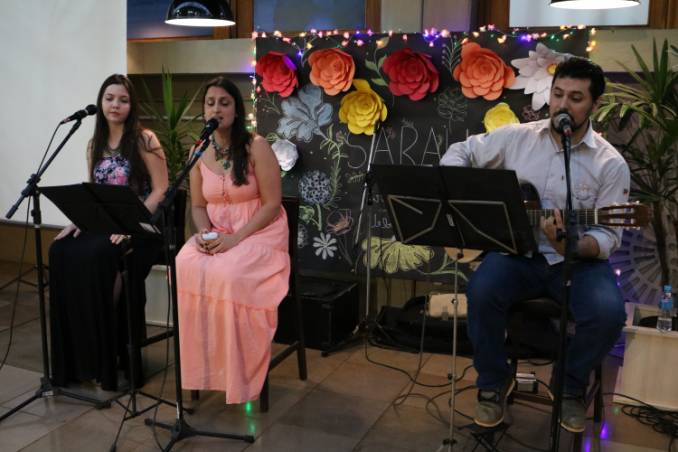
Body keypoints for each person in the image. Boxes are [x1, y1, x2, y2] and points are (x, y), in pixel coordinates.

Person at [440, 57, 629, 433]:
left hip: (578, 263)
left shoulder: (610, 164)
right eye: (558, 94)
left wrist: (571, 246)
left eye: (576, 98)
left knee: (609, 314)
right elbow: (460, 153)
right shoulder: (517, 137)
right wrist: (468, 191)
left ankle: (569, 386)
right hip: (517, 254)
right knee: (481, 293)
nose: (562, 105)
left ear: (594, 104)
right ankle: (493, 384)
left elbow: (609, 235)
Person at [49, 74, 168, 391]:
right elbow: (94, 192)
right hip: (105, 226)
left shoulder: (145, 139)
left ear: (132, 105)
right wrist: (78, 220)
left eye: (123, 100)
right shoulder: (94, 144)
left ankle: (106, 357)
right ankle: (79, 359)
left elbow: (161, 189)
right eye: (110, 98)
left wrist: (131, 226)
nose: (115, 105)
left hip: (140, 228)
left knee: (103, 256)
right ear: (101, 103)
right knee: (61, 250)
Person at [175, 76, 289, 404]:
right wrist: (203, 234)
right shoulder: (198, 150)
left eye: (224, 103)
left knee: (230, 274)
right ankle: (206, 369)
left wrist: (235, 239)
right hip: (217, 233)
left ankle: (239, 372)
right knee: (184, 263)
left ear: (236, 110)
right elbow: (198, 206)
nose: (216, 109)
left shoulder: (256, 146)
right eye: (210, 103)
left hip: (259, 233)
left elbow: (272, 204)